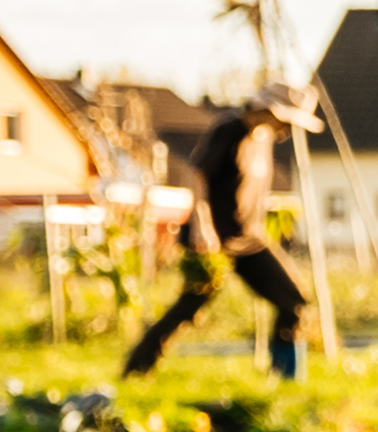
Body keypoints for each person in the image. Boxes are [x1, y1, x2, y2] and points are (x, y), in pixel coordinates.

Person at [123, 96, 307, 384]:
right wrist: (202, 224)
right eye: (286, 120)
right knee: (188, 309)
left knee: (294, 300)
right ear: (269, 111)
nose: (288, 127)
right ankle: (136, 370)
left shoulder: (265, 137)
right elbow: (198, 176)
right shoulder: (228, 131)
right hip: (212, 242)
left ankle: (286, 379)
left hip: (250, 240)